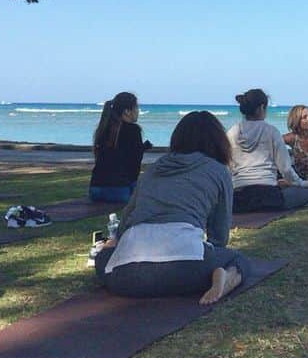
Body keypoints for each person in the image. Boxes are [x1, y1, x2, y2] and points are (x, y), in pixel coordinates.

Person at [94, 111, 250, 304]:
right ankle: (223, 280)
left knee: (103, 259)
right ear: (218, 141)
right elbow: (219, 236)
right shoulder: (219, 171)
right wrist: (210, 259)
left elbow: (126, 221)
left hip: (125, 277)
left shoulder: (154, 170)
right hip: (186, 268)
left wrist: (111, 245)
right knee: (238, 260)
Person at [227, 89, 308, 213]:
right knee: (306, 193)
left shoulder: (232, 132)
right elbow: (286, 169)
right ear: (262, 107)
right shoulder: (271, 131)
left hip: (239, 197)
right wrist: (301, 183)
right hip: (269, 196)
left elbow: (226, 166)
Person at [88, 92, 152, 203]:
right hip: (120, 190)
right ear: (127, 111)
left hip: (95, 190)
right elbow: (133, 167)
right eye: (136, 107)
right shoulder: (133, 130)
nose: (138, 111)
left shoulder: (104, 129)